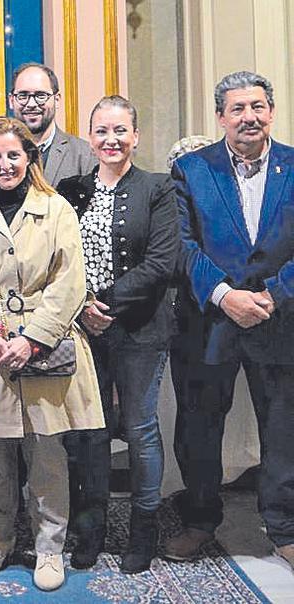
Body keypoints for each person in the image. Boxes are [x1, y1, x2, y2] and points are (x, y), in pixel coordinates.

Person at [0, 117, 103, 592]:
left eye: (13, 155)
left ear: (29, 158)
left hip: (44, 343)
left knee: (46, 453)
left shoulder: (56, 208)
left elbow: (69, 281)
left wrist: (33, 338)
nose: (4, 164)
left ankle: (49, 548)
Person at [165, 71, 294, 570]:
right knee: (199, 427)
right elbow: (182, 244)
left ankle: (283, 526)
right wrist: (224, 295)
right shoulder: (191, 170)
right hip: (209, 323)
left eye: (258, 106)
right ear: (220, 117)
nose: (249, 117)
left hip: (280, 321)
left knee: (283, 429)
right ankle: (199, 520)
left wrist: (273, 295)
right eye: (237, 109)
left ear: (272, 112)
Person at [55, 95, 179, 574]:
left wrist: (106, 304)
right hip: (82, 330)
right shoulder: (71, 189)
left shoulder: (157, 189)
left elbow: (161, 262)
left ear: (135, 136)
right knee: (91, 433)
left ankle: (144, 529)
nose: (111, 140)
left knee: (141, 429)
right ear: (90, 137)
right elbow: (59, 256)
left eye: (120, 131)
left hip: (140, 328)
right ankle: (91, 529)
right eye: (102, 131)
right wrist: (82, 306)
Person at [0, 63, 97, 201]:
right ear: (11, 100)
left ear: (57, 100)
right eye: (23, 95)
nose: (31, 104)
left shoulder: (84, 155)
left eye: (41, 95)